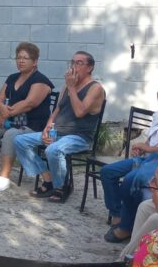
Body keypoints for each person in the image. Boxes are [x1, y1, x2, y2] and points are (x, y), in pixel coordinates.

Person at [100, 77, 158, 244]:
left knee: (131, 181)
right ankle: (118, 216)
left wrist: (149, 149)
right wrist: (143, 147)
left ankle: (127, 227)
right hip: (147, 157)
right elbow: (152, 140)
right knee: (107, 172)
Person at [13, 50, 106, 202]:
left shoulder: (95, 88)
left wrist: (72, 88)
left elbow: (80, 112)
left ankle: (62, 186)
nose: (74, 66)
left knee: (53, 150)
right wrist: (47, 127)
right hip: (58, 132)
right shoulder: (68, 86)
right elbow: (57, 109)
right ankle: (48, 180)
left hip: (79, 136)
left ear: (89, 68)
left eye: (79, 63)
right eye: (72, 62)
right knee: (20, 141)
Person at [0, 42, 54, 192]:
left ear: (35, 61)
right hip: (10, 121)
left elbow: (29, 104)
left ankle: (3, 177)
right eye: (18, 58)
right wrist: (2, 110)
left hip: (32, 125)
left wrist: (3, 116)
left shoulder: (41, 80)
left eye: (25, 58)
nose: (20, 61)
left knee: (11, 134)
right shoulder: (12, 78)